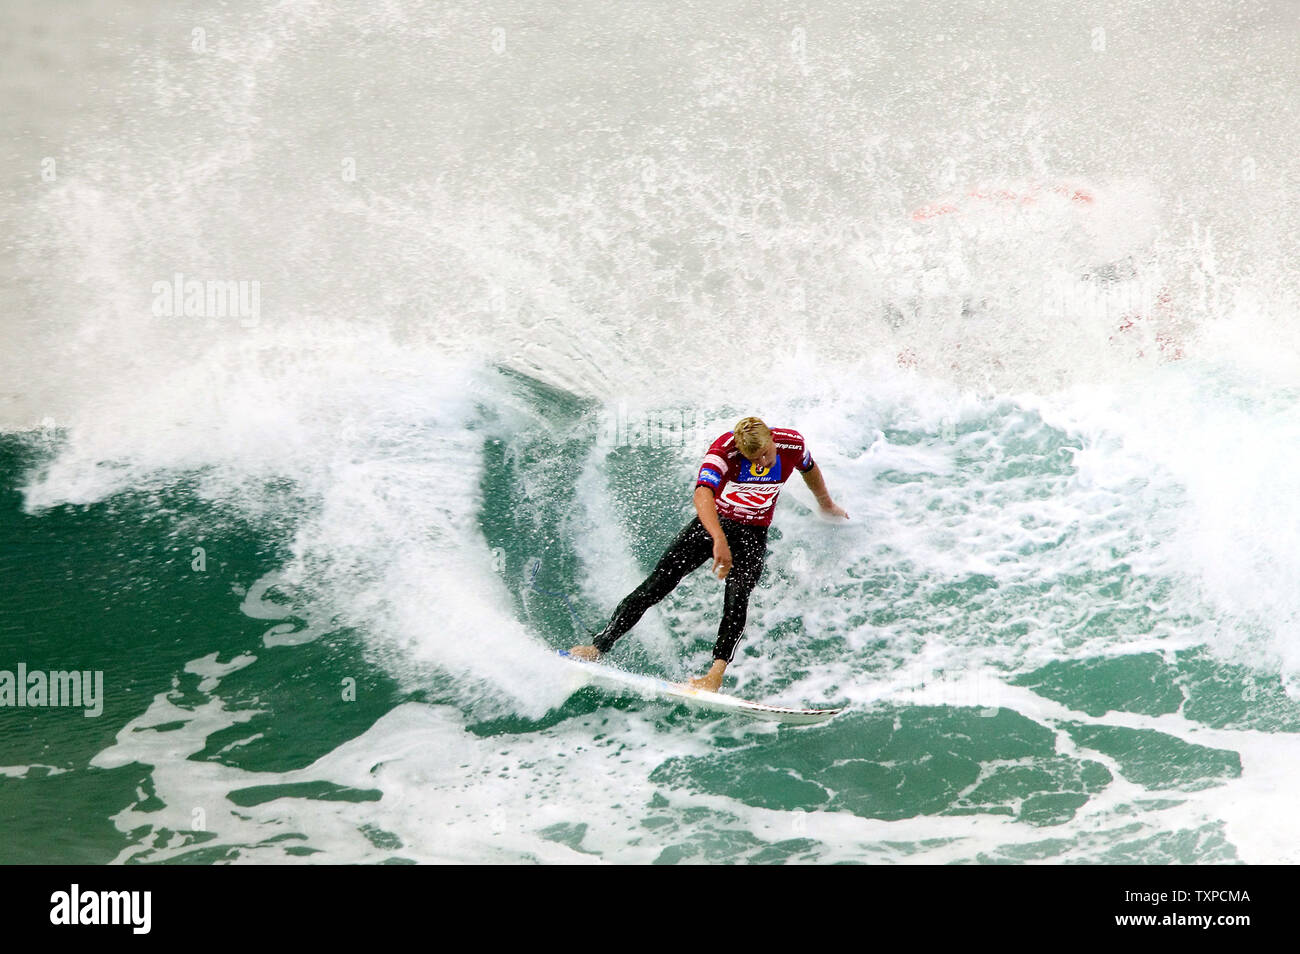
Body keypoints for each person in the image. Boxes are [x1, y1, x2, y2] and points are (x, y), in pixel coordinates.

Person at [569, 416, 848, 692]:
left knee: (737, 599)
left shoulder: (791, 444)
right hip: (715, 523)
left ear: (772, 440)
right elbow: (703, 495)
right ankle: (598, 646)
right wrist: (718, 539)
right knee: (655, 586)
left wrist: (827, 504)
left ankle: (714, 676)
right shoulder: (723, 452)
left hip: (753, 532)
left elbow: (809, 468)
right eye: (754, 459)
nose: (763, 462)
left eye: (766, 454)